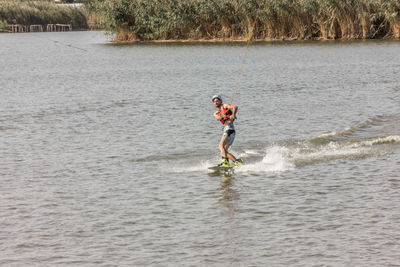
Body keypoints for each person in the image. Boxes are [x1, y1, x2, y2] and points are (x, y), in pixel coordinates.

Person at [212, 95, 243, 168]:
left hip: (229, 128)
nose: (216, 103)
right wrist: (223, 116)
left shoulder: (225, 106)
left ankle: (225, 162)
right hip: (229, 130)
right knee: (224, 151)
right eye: (214, 102)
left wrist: (233, 114)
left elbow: (235, 107)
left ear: (220, 101)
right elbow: (217, 118)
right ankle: (237, 162)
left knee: (220, 145)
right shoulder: (216, 113)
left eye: (217, 101)